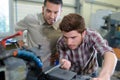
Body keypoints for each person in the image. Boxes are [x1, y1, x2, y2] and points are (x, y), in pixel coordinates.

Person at [56, 13, 117, 80]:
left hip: (91, 73)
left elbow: (108, 53)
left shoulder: (92, 35)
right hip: (72, 75)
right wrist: (64, 63)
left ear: (83, 33)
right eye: (65, 37)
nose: (68, 42)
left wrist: (105, 75)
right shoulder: (61, 42)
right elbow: (63, 59)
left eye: (73, 37)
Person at [15, 0, 63, 65]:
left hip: (50, 64)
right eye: (49, 11)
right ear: (43, 9)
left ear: (61, 12)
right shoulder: (31, 19)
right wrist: (20, 41)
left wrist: (59, 52)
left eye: (56, 12)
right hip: (32, 62)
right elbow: (17, 28)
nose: (52, 16)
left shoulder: (62, 24)